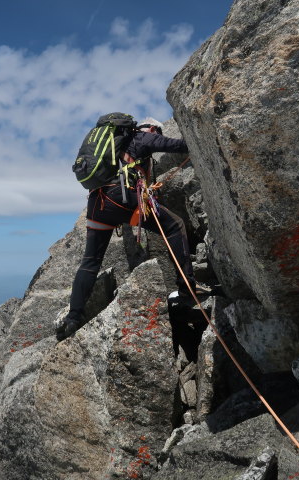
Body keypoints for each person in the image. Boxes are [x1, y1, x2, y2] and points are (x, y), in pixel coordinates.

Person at [56, 119, 201, 342]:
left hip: (97, 203)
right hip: (121, 197)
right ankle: (187, 291)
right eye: (156, 132)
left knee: (91, 261)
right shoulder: (143, 136)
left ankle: (73, 317)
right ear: (151, 128)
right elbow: (178, 145)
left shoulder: (114, 146)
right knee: (174, 226)